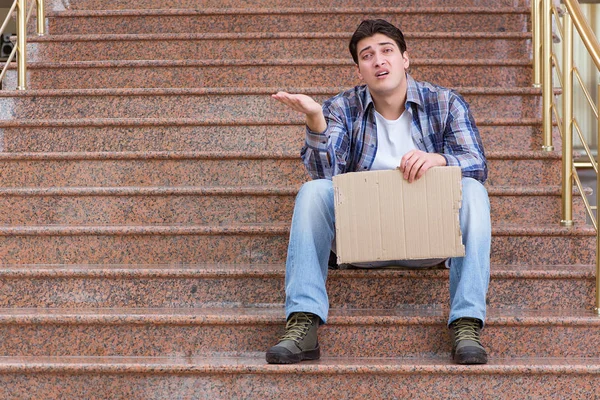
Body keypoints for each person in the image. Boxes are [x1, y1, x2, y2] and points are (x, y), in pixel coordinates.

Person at [265, 19, 491, 365]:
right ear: (359, 70)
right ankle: (304, 323)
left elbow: (477, 163)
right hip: (362, 241)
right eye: (367, 56)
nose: (378, 61)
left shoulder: (445, 102)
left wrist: (438, 159)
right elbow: (326, 175)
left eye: (387, 51)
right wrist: (315, 120)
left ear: (405, 59)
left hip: (429, 240)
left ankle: (466, 322)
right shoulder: (341, 108)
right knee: (313, 193)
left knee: (473, 191)